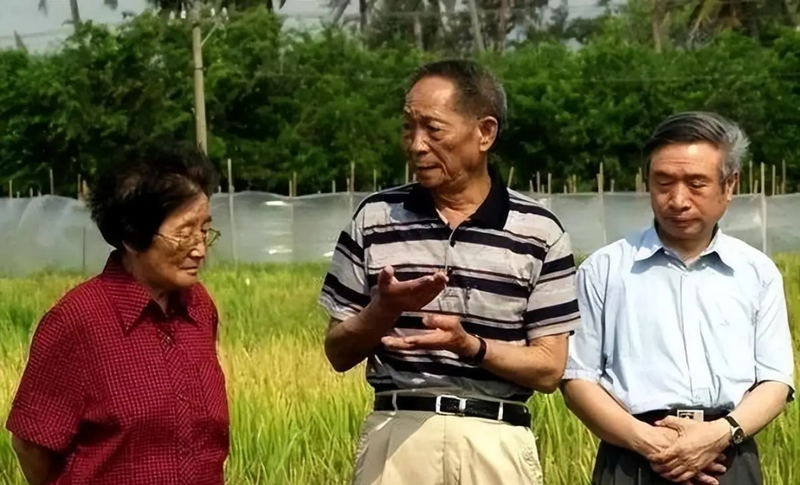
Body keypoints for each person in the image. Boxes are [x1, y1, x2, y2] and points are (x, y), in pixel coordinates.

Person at [318, 59, 581, 485]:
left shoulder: (539, 232)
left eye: (433, 129)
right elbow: (337, 352)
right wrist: (383, 310)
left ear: (485, 133)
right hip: (398, 438)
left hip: (494, 440)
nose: (416, 145)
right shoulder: (375, 218)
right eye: (408, 127)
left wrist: (470, 345)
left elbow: (549, 368)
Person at [562, 111, 795, 485]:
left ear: (730, 184)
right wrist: (653, 445)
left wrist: (718, 434)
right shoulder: (603, 270)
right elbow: (577, 380)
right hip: (631, 459)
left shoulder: (757, 272)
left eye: (696, 183)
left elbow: (775, 380)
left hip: (728, 456)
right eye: (664, 182)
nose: (678, 200)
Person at [5, 145, 230, 485]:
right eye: (185, 232)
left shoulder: (200, 308)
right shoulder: (78, 321)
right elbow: (30, 444)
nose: (200, 248)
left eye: (204, 230)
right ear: (132, 236)